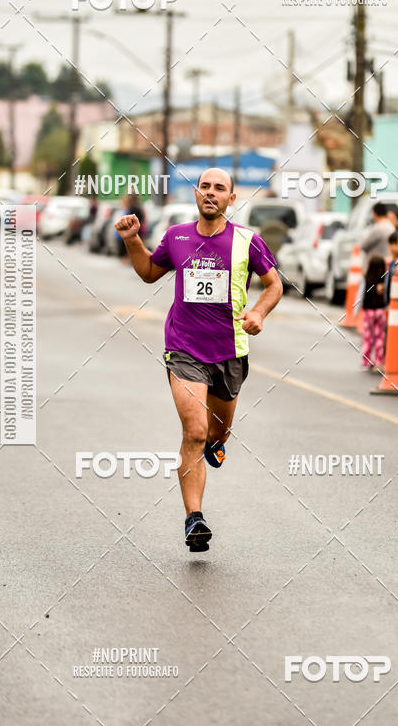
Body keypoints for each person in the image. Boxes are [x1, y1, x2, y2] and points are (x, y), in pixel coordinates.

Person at [115, 168, 283, 551]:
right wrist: (131, 240)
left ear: (231, 199)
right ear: (196, 194)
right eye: (204, 186)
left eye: (219, 188)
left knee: (216, 433)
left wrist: (257, 313)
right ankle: (195, 519)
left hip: (230, 352)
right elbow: (147, 272)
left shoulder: (247, 241)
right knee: (193, 431)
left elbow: (275, 285)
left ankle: (217, 441)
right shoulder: (177, 237)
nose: (211, 193)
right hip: (184, 349)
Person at [361, 255, 387, 370]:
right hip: (380, 311)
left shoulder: (366, 279)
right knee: (380, 337)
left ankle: (366, 360)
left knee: (368, 337)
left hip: (368, 311)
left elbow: (362, 295)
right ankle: (379, 360)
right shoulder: (384, 281)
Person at [385, 230, 398, 304]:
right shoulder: (391, 263)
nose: (393, 247)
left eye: (395, 244)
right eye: (391, 244)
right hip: (391, 300)